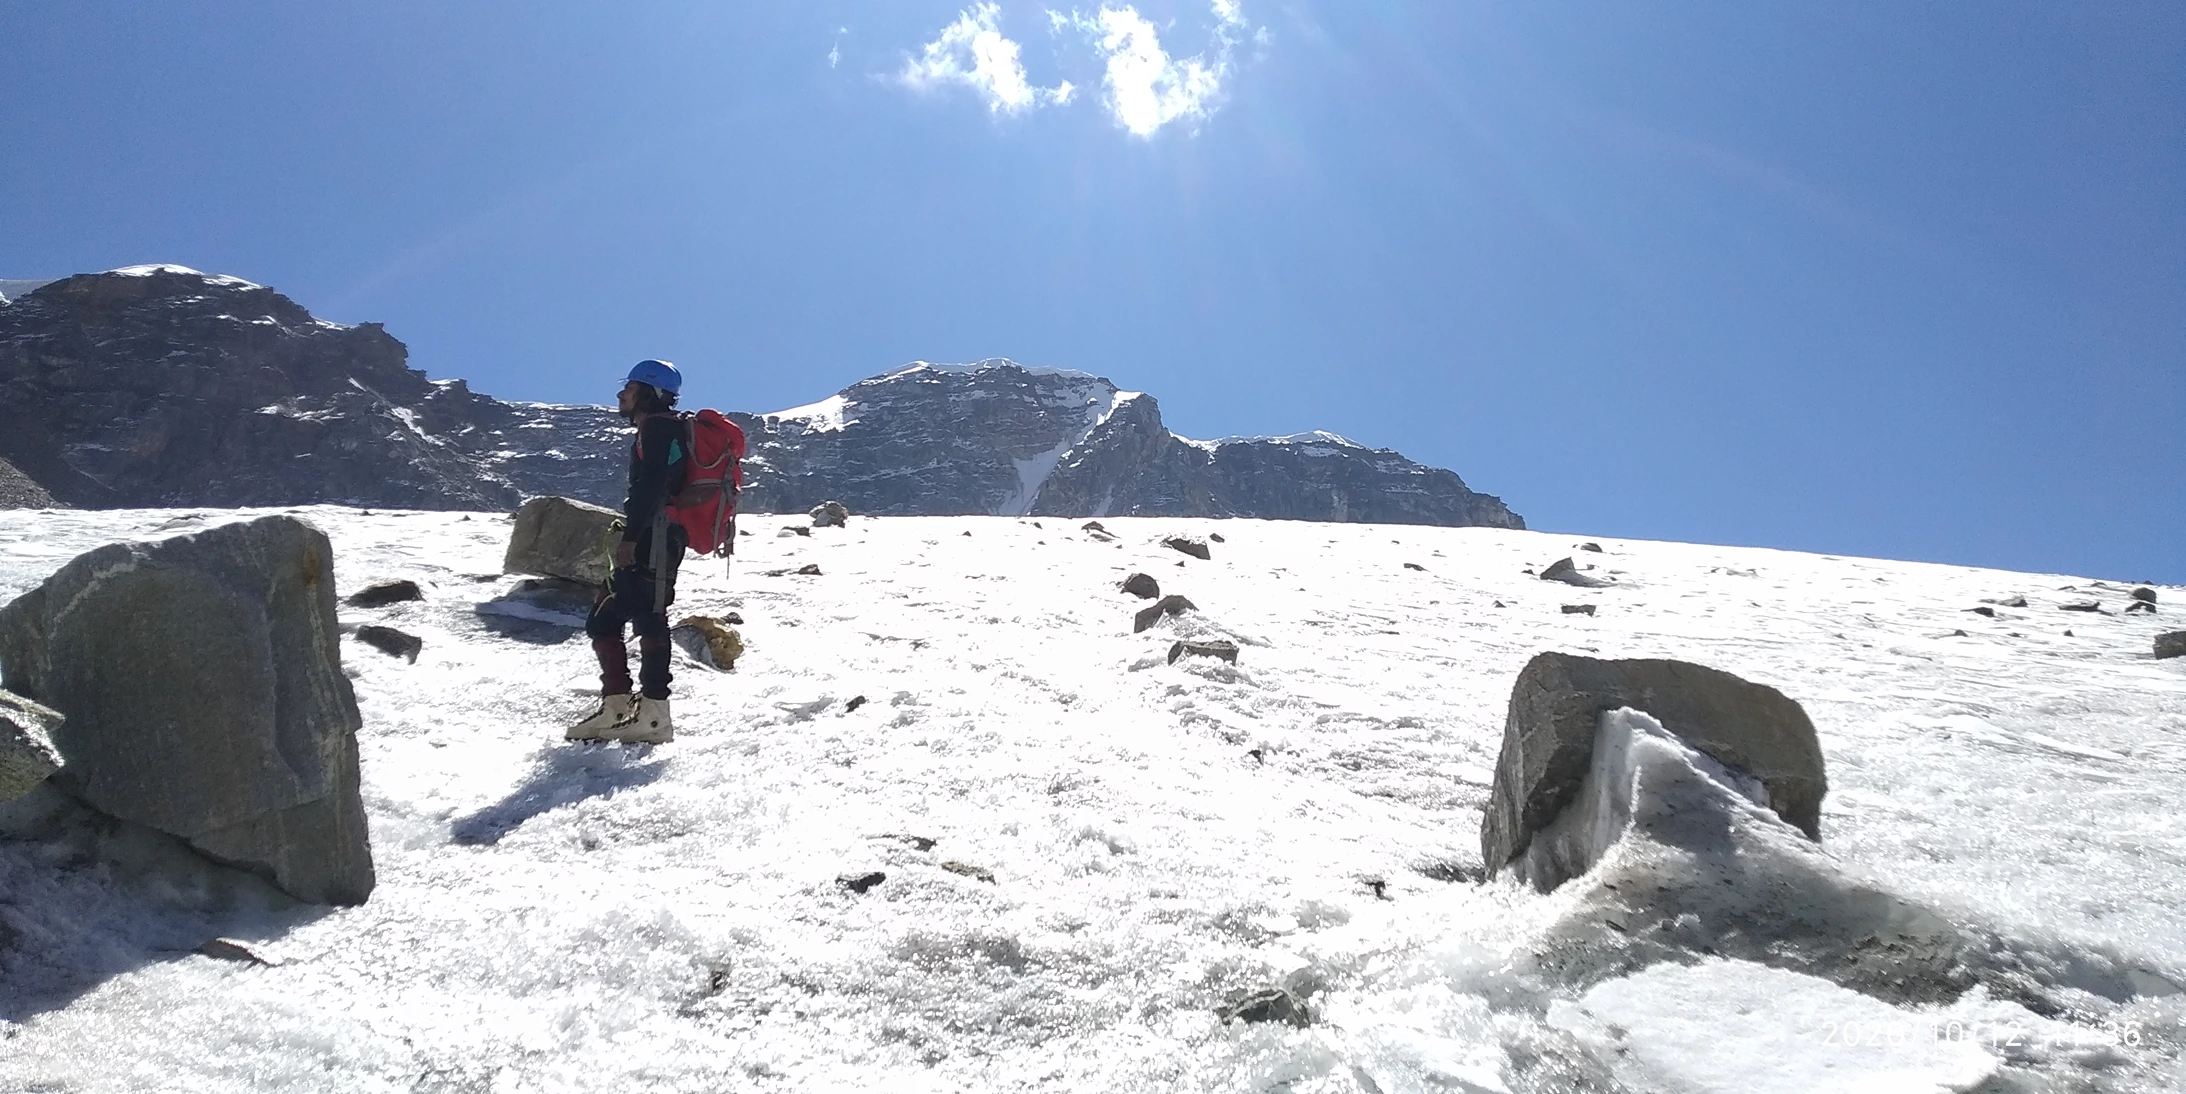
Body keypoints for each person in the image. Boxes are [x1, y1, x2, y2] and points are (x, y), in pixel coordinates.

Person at [566, 359, 691, 743]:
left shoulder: (658, 428)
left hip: (655, 536)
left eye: (631, 388)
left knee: (644, 619)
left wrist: (631, 538)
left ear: (650, 394)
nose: (622, 394)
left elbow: (651, 486)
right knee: (612, 618)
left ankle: (651, 715)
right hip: (660, 535)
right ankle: (621, 708)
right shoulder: (665, 428)